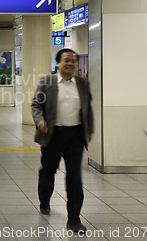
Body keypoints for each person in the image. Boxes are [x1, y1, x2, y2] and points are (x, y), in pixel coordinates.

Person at [31, 48, 94, 234]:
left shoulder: (82, 84)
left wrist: (88, 129)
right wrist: (39, 120)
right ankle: (44, 200)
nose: (70, 64)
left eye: (73, 61)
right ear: (58, 63)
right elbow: (36, 104)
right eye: (66, 60)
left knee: (75, 177)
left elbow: (87, 108)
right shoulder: (47, 82)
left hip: (75, 136)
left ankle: (74, 219)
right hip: (52, 134)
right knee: (48, 171)